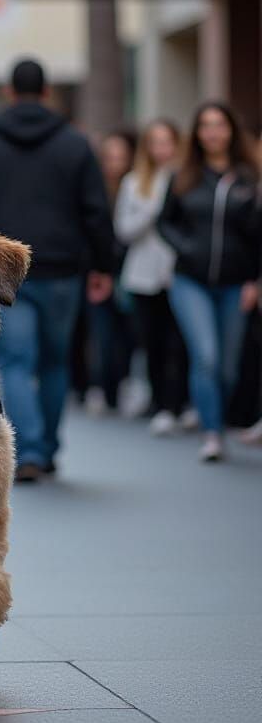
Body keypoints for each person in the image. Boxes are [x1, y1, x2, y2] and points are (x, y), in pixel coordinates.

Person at [0, 58, 114, 482]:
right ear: (47, 93)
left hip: (4, 274)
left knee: (16, 361)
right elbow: (96, 211)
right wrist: (102, 265)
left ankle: (28, 452)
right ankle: (49, 446)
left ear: (8, 91)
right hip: (63, 269)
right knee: (56, 362)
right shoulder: (75, 145)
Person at [157, 103, 261, 462]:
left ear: (231, 130)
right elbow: (164, 222)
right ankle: (212, 432)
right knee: (206, 357)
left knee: (228, 367)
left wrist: (255, 280)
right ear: (197, 133)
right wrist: (187, 248)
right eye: (205, 125)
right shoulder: (184, 175)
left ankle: (218, 417)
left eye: (219, 125)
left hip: (236, 283)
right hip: (191, 281)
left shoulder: (248, 176)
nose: (213, 132)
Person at [114, 120, 190, 435]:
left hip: (178, 273)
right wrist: (152, 211)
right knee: (153, 342)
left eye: (168, 141)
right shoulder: (133, 183)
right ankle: (161, 405)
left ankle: (180, 404)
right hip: (143, 276)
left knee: (180, 342)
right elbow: (123, 230)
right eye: (155, 142)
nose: (162, 149)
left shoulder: (186, 180)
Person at [85, 131, 138, 414]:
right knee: (101, 334)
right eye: (109, 156)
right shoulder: (93, 188)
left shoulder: (136, 186)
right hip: (97, 272)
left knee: (128, 334)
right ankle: (101, 386)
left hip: (130, 272)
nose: (114, 162)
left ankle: (123, 384)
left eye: (120, 156)